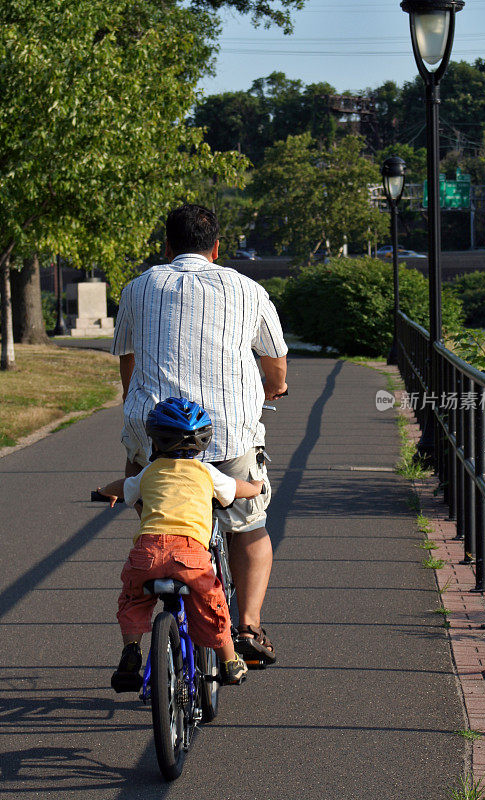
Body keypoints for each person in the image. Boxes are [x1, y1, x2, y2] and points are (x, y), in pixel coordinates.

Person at [111, 204, 288, 666]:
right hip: (227, 434)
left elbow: (127, 358)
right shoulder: (248, 289)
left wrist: (137, 408)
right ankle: (246, 626)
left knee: (160, 512)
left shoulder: (139, 287)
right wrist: (274, 387)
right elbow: (275, 361)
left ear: (166, 248)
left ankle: (159, 573)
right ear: (216, 249)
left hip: (154, 437)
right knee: (249, 524)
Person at [98, 397, 265, 691]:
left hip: (146, 553)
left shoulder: (147, 473)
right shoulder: (206, 473)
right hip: (189, 554)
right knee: (211, 604)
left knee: (134, 600)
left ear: (155, 440)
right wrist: (255, 488)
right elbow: (237, 488)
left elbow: (122, 488)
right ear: (202, 443)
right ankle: (229, 662)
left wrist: (103, 492)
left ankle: (132, 649)